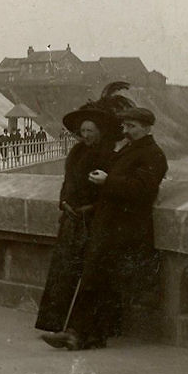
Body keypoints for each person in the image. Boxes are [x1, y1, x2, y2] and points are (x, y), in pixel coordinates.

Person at [43, 107, 168, 351]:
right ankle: (90, 336)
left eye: (132, 127)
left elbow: (143, 189)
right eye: (126, 126)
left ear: (147, 127)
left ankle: (76, 334)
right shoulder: (132, 150)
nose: (127, 131)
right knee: (98, 281)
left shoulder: (153, 154)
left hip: (124, 229)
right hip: (110, 226)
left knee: (95, 280)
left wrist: (107, 181)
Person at [35, 105, 115, 343]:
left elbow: (108, 192)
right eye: (83, 130)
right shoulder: (77, 152)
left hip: (92, 222)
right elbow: (67, 181)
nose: (87, 135)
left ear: (100, 131)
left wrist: (88, 209)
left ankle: (77, 330)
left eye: (91, 130)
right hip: (70, 219)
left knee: (89, 277)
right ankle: (53, 324)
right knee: (62, 272)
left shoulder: (108, 154)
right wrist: (63, 202)